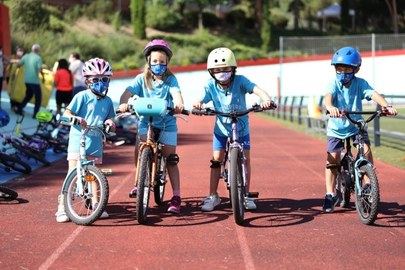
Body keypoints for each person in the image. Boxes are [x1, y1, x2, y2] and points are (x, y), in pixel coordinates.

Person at [193, 47, 275, 212]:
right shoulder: (210, 86)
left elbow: (257, 90)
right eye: (217, 70)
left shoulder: (241, 80)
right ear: (211, 72)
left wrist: (266, 99)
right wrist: (198, 104)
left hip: (241, 128)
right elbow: (201, 98)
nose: (222, 73)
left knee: (246, 159)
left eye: (225, 69)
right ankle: (213, 195)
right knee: (216, 159)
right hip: (221, 130)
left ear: (233, 69)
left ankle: (245, 195)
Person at [323, 46, 397, 213]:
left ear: (355, 69)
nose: (343, 72)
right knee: (333, 160)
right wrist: (330, 107)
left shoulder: (360, 83)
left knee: (366, 152)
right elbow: (328, 97)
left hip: (356, 125)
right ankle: (329, 194)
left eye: (347, 69)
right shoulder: (333, 83)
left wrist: (386, 105)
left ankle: (368, 186)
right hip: (337, 127)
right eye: (339, 68)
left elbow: (372, 93)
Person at [118, 39, 185, 214]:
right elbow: (127, 93)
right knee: (139, 149)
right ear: (148, 61)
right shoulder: (141, 79)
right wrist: (123, 103)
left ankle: (176, 196)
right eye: (155, 61)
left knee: (171, 159)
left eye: (162, 62)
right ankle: (138, 182)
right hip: (145, 122)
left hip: (166, 124)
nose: (158, 65)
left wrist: (178, 104)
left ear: (167, 63)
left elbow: (177, 95)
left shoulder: (171, 79)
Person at [55, 57, 116, 223]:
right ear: (88, 81)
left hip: (95, 142)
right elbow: (66, 114)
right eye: (95, 80)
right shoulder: (81, 96)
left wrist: (110, 123)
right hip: (78, 140)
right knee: (72, 171)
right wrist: (75, 119)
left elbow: (110, 118)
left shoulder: (108, 101)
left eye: (104, 79)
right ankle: (62, 207)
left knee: (93, 175)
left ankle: (96, 205)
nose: (100, 83)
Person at [16, 44, 44, 118]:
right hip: (34, 81)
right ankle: (35, 114)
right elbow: (39, 69)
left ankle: (19, 108)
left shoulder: (26, 56)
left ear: (32, 49)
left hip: (27, 80)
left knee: (29, 95)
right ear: (38, 50)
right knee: (38, 97)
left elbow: (18, 65)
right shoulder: (38, 58)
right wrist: (42, 75)